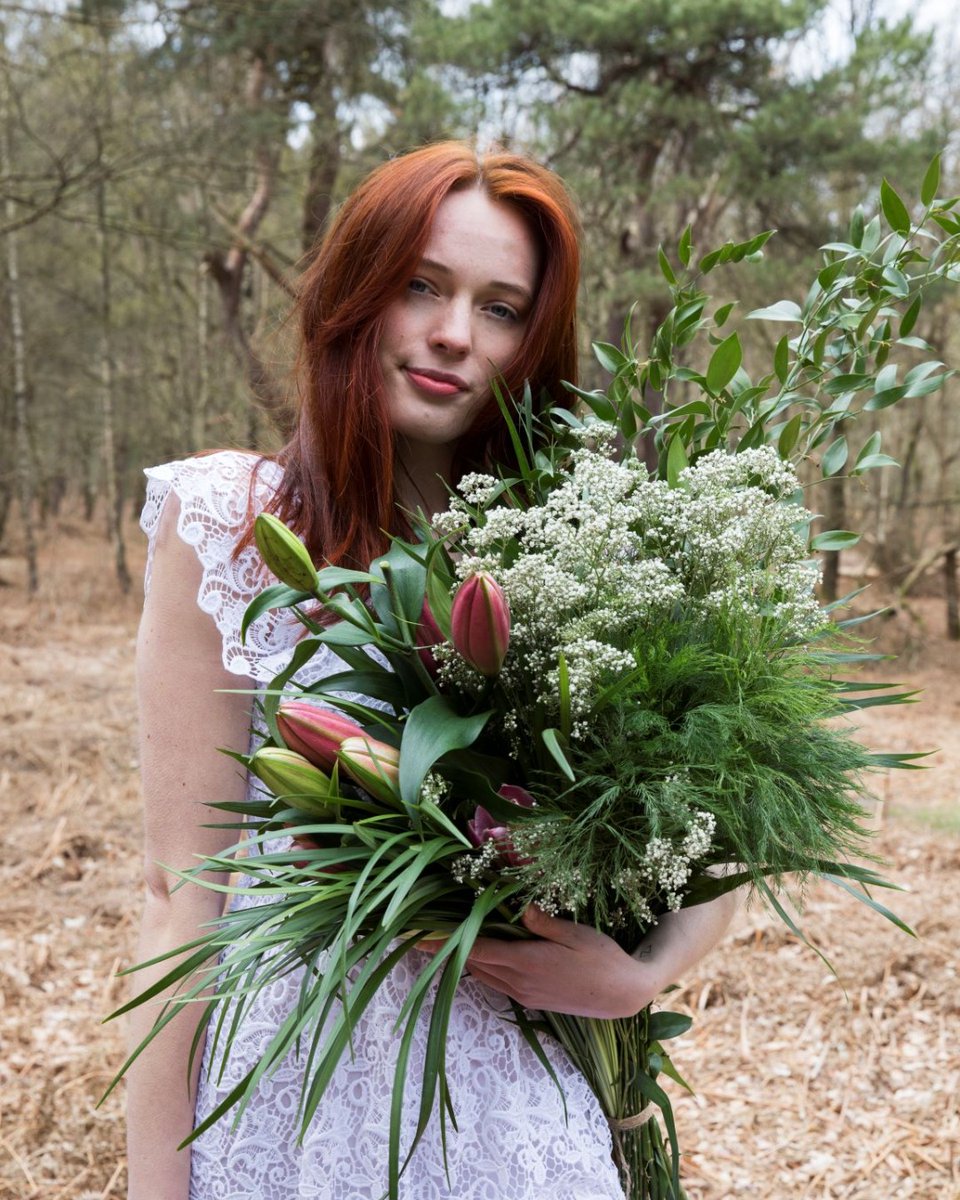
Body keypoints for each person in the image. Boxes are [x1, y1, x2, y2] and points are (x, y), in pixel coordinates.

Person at [129, 141, 737, 1200]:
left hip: (516, 1108)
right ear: (359, 291)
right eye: (423, 286)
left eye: (501, 309)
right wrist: (153, 1185)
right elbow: (182, 900)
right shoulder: (229, 524)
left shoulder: (582, 553)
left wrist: (641, 975)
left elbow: (721, 829)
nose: (455, 333)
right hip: (292, 1101)